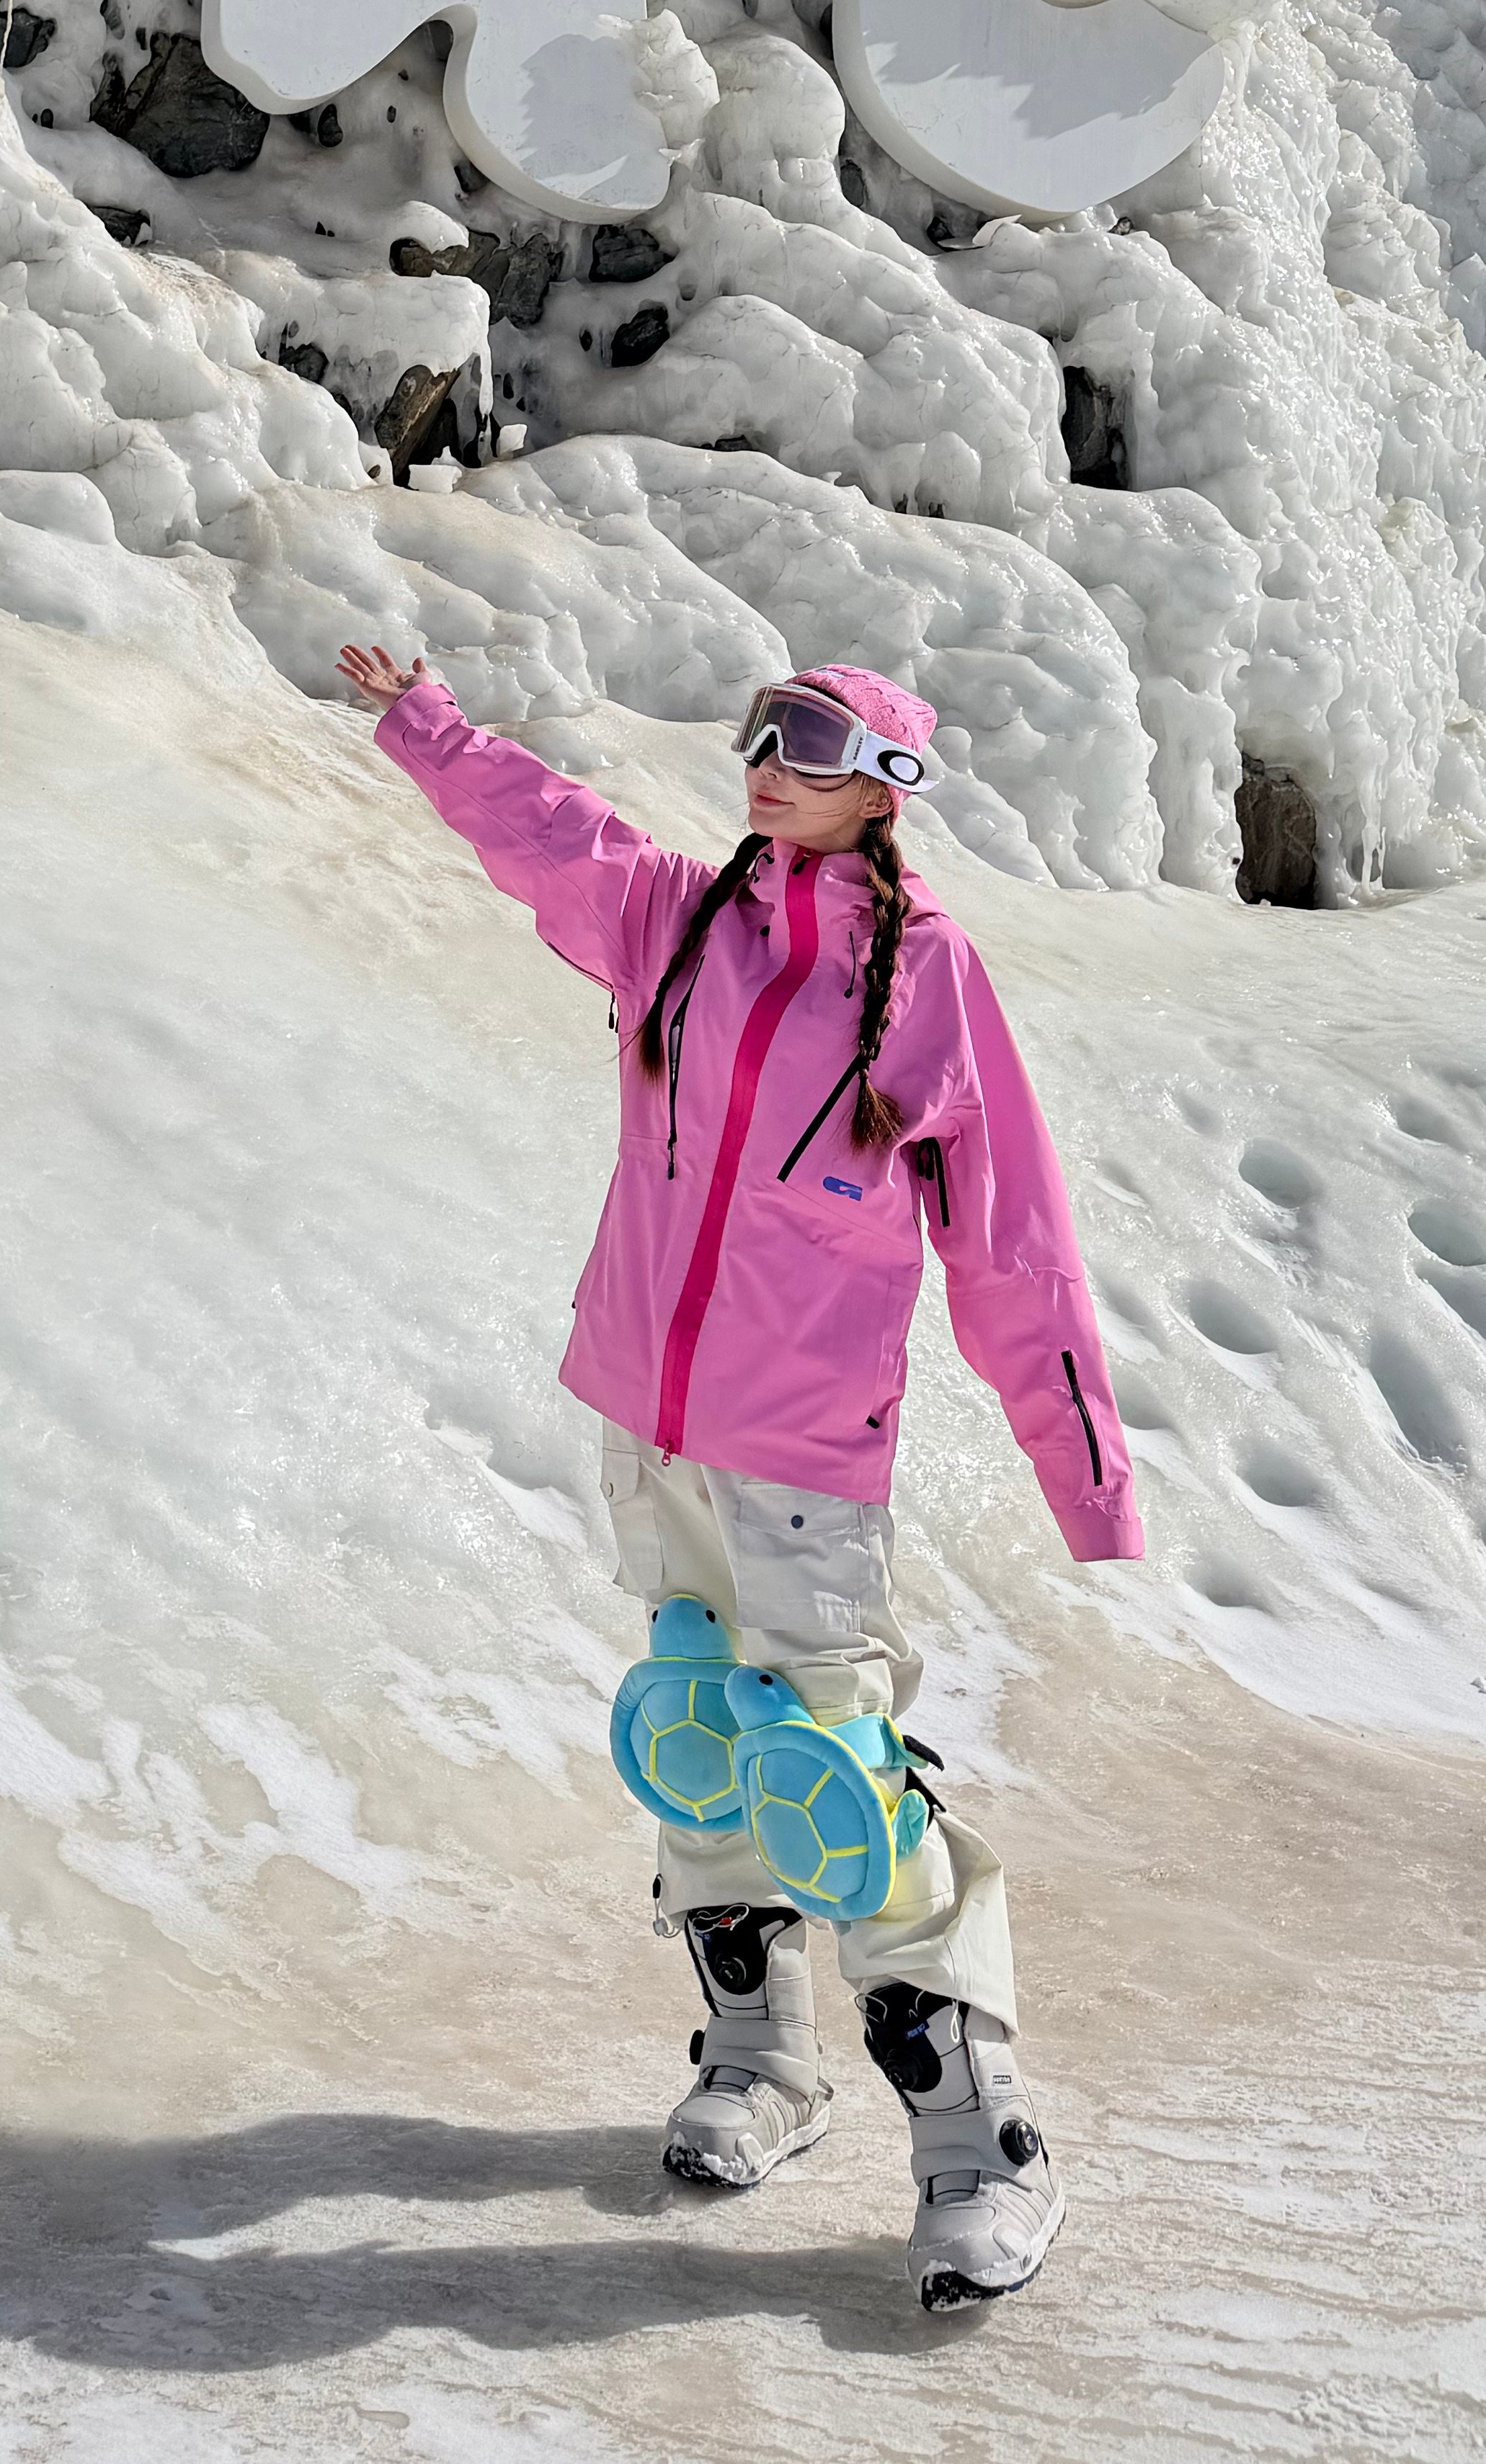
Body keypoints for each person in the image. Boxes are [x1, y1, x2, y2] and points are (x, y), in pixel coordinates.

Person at [336, 639, 1142, 2312]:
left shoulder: (923, 979)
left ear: (890, 788)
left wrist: (1087, 1475)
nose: (772, 757)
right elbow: (543, 830)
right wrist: (425, 726)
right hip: (651, 1413)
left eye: (819, 739)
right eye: (767, 727)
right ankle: (760, 2061)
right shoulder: (676, 922)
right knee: (700, 1743)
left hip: (801, 1446)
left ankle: (984, 2147)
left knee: (833, 1787)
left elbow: (1013, 1241)